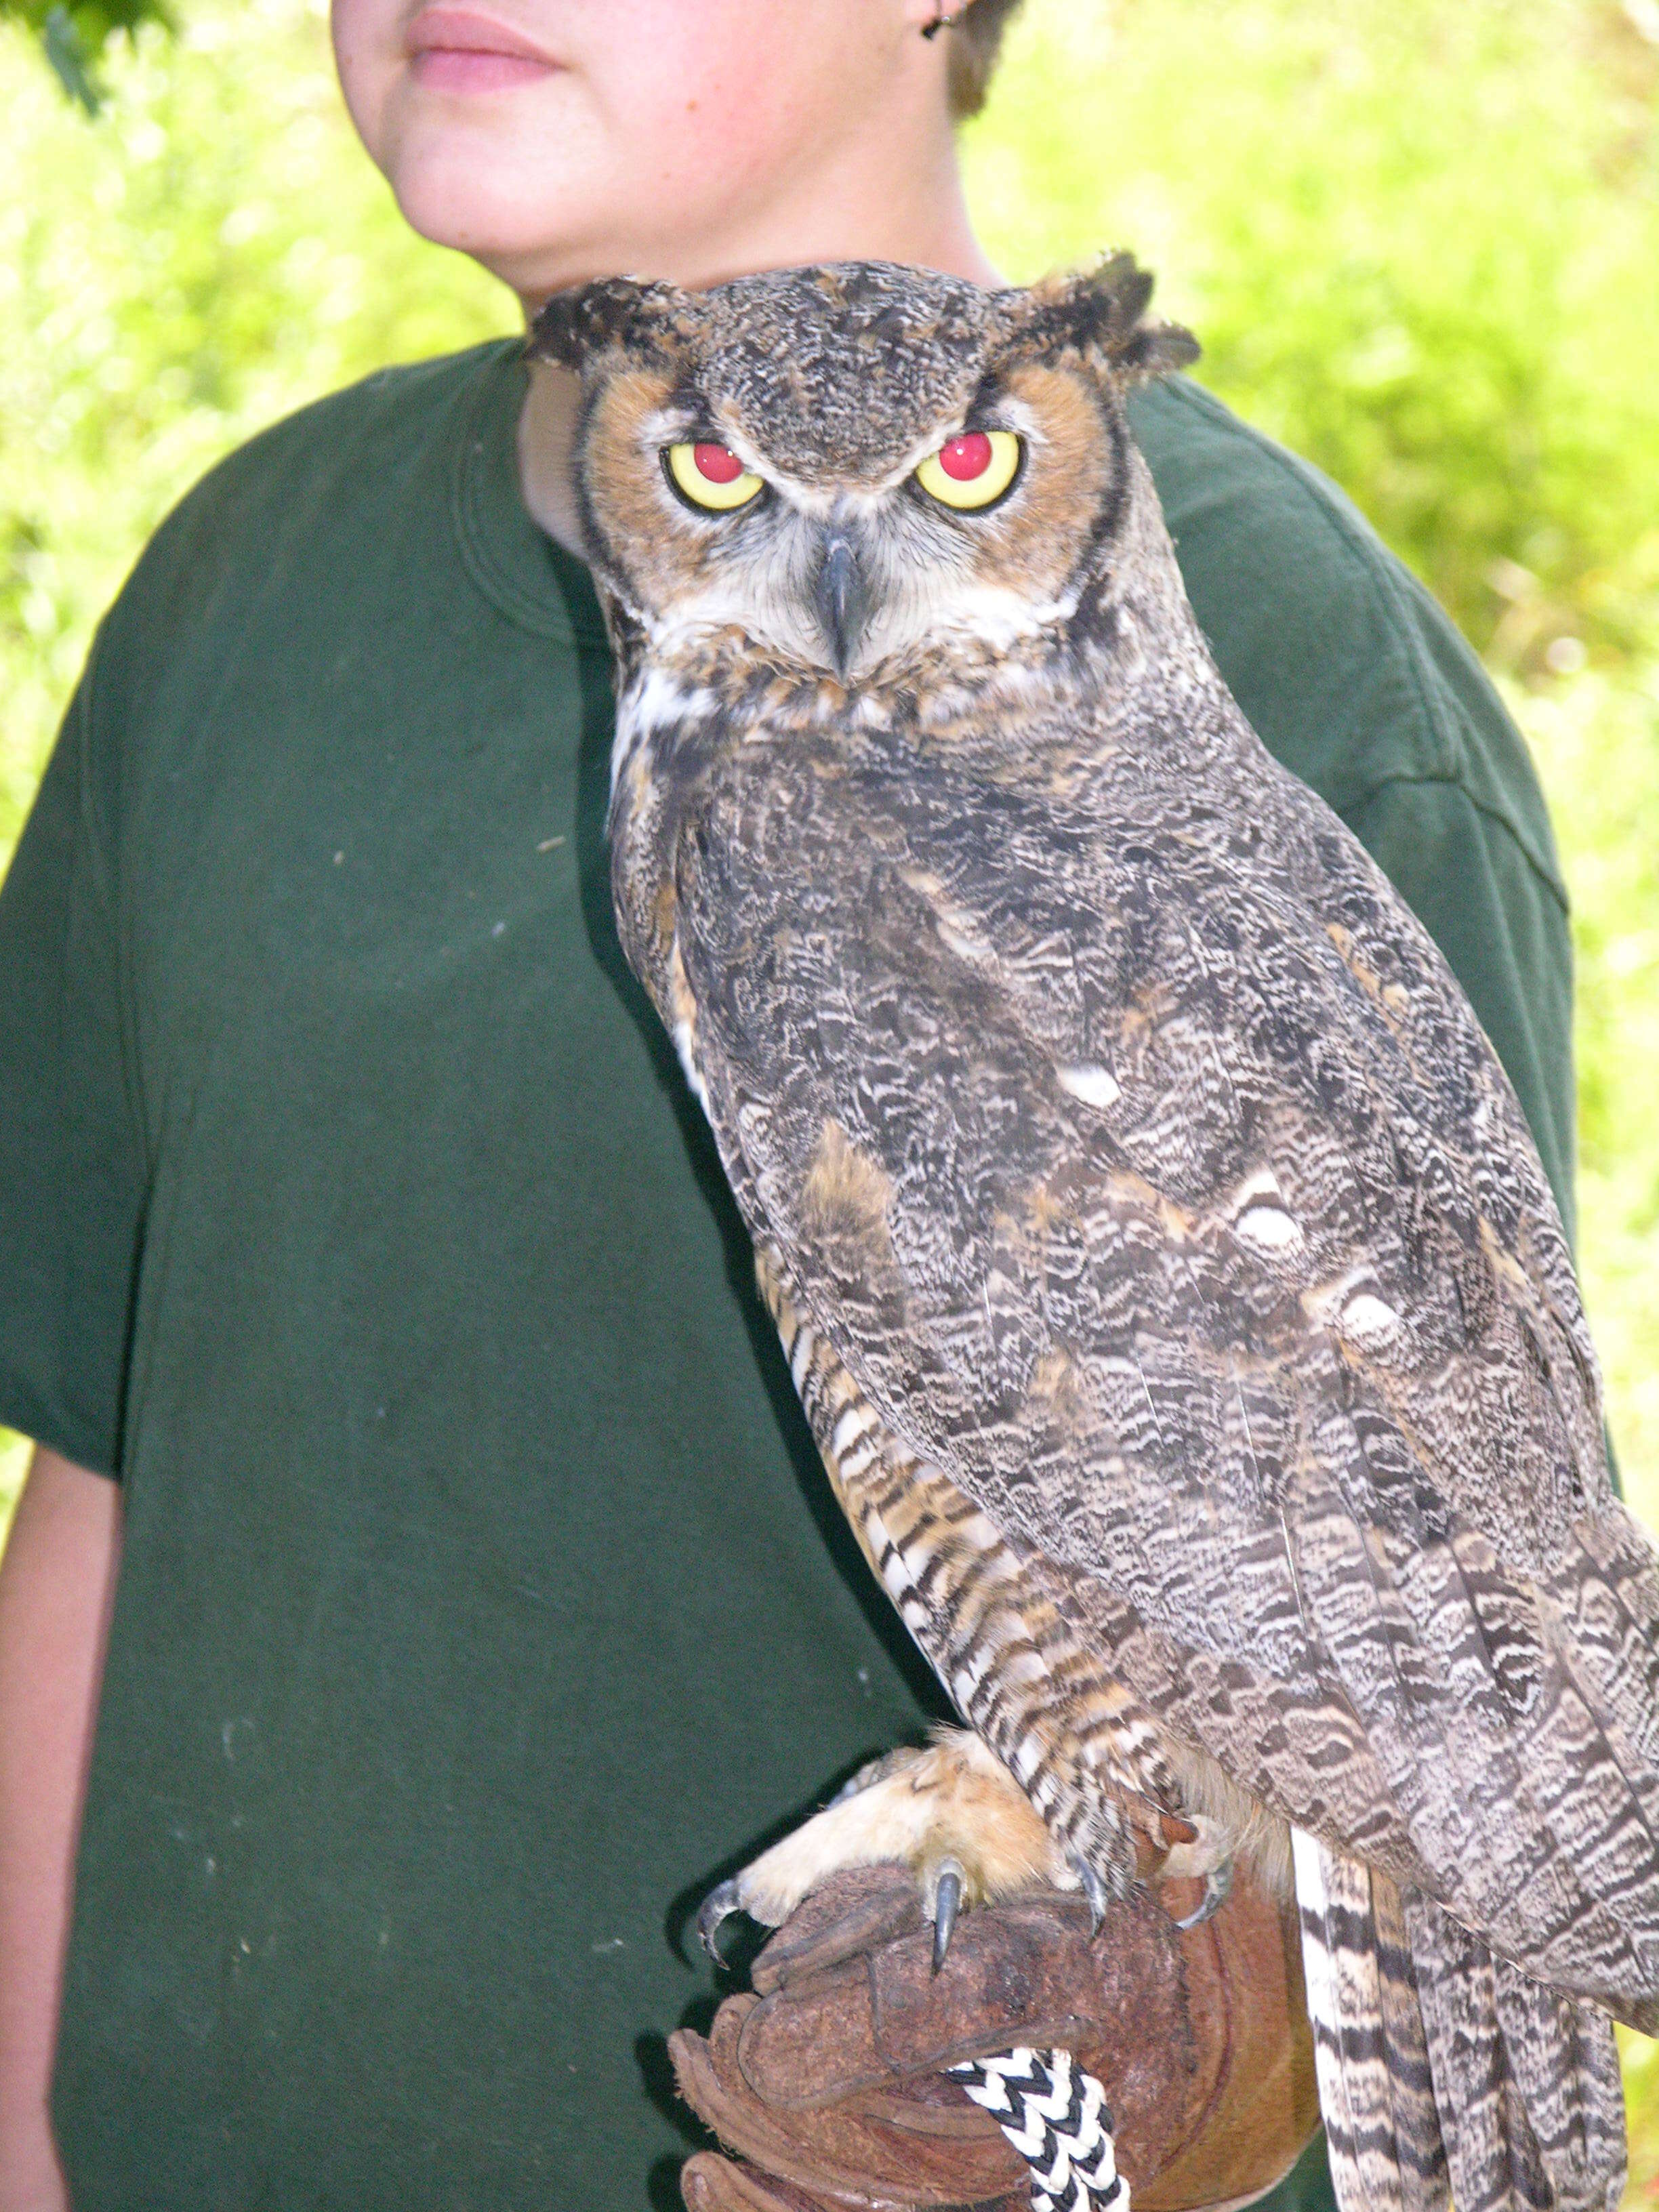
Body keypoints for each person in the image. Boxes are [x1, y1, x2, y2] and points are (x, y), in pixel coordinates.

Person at [0, 2, 1579, 2207]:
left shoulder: (1307, 730)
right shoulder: (252, 588)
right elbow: (117, 1440)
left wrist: (1118, 1958)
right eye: (722, 479)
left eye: (950, 484)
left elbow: (1432, 1736)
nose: (835, 585)